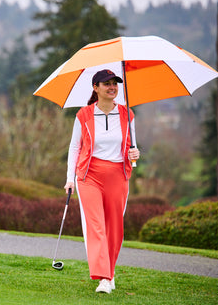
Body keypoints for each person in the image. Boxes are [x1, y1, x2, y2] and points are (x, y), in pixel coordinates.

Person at [64, 69, 140, 294]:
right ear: (95, 88)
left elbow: (131, 147)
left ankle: (110, 272)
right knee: (96, 226)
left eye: (115, 83)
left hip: (118, 175)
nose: (112, 87)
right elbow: (74, 147)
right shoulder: (84, 115)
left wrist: (134, 153)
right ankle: (104, 278)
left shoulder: (128, 114)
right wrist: (70, 178)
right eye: (106, 84)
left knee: (114, 228)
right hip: (89, 175)